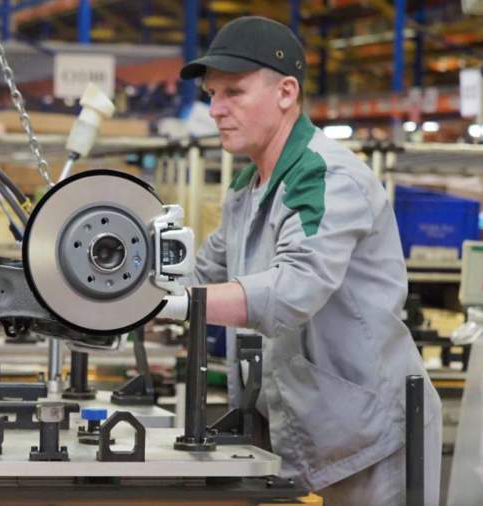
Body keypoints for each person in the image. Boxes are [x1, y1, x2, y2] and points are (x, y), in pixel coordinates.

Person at [171, 16, 442, 505]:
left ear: (286, 92)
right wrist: (118, 290)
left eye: (233, 92)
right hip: (303, 429)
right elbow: (200, 274)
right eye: (212, 94)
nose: (216, 110)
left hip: (368, 437)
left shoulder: (327, 178)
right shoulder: (247, 190)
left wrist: (174, 303)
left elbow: (292, 291)